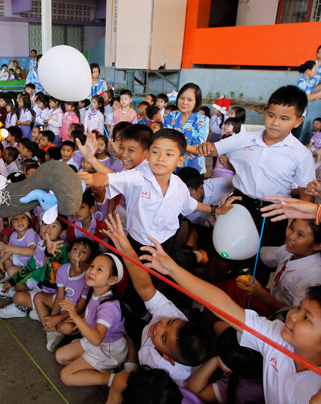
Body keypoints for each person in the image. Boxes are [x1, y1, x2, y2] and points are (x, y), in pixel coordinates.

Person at [140, 237, 321, 404]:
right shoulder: (278, 336)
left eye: (306, 318)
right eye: (300, 308)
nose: (291, 315)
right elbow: (225, 307)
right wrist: (173, 270)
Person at [81, 130, 238, 310]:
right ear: (148, 154)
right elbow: (109, 178)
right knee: (138, 295)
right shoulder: (137, 176)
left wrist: (216, 209)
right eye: (155, 152)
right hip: (139, 247)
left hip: (168, 246)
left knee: (182, 293)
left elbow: (191, 204)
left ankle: (191, 274)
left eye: (169, 154)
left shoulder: (178, 186)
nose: (161, 158)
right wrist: (92, 176)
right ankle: (140, 319)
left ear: (180, 160)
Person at [101, 213, 211, 402]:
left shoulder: (166, 379)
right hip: (141, 346)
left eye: (164, 337)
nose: (159, 326)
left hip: (143, 368)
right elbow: (145, 287)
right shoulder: (169, 316)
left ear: (168, 358)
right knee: (129, 318)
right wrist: (128, 250)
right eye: (169, 322)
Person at [196, 85, 315, 248]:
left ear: (298, 121)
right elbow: (211, 149)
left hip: (275, 212)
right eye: (271, 115)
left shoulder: (301, 154)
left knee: (264, 261)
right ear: (266, 112)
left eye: (284, 119)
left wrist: (299, 225)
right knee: (224, 256)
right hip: (240, 202)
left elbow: (306, 196)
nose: (275, 123)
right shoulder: (245, 139)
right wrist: (199, 147)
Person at [232, 219, 321, 317]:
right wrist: (238, 247)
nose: (290, 236)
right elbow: (261, 254)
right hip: (272, 301)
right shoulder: (290, 251)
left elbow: (297, 315)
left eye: (301, 235)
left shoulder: (314, 274)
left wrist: (261, 294)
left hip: (283, 317)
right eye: (292, 228)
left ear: (319, 246)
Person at [55, 253, 128, 387]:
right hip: (94, 341)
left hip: (109, 349)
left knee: (66, 376)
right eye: (92, 266)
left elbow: (97, 339)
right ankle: (95, 369)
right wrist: (82, 320)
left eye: (99, 269)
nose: (92, 271)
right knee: (60, 356)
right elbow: (91, 316)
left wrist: (76, 318)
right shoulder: (95, 291)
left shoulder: (109, 306)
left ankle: (114, 379)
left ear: (112, 280)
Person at [32, 237, 99, 352]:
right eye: (75, 249)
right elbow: (59, 296)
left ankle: (48, 323)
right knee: (38, 297)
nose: (77, 253)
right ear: (68, 254)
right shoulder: (63, 269)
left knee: (66, 328)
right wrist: (53, 317)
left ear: (90, 261)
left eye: (84, 252)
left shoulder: (87, 278)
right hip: (62, 302)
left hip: (73, 311)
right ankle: (51, 329)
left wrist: (58, 318)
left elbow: (79, 308)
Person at [0, 217, 68, 318]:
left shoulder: (59, 249)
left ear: (62, 233)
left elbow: (52, 275)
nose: (48, 228)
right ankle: (32, 305)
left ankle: (27, 306)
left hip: (51, 293)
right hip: (38, 285)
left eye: (54, 226)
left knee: (18, 298)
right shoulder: (40, 244)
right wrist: (12, 282)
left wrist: (48, 253)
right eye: (45, 224)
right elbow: (30, 267)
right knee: (16, 279)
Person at [185, 326, 265, 404]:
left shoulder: (244, 391)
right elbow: (217, 325)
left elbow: (192, 390)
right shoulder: (265, 351)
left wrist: (215, 361)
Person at [164, 83, 209, 174]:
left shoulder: (203, 120)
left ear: (196, 102)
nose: (185, 102)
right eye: (182, 98)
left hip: (193, 169)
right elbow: (165, 140)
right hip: (171, 167)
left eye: (190, 100)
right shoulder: (171, 116)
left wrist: (177, 144)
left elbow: (199, 149)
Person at [295, 61, 321, 139]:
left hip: (301, 112)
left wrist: (314, 98)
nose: (316, 72)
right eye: (315, 69)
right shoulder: (303, 82)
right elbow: (307, 97)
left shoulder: (306, 81)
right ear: (308, 70)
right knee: (295, 136)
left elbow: (305, 97)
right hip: (298, 113)